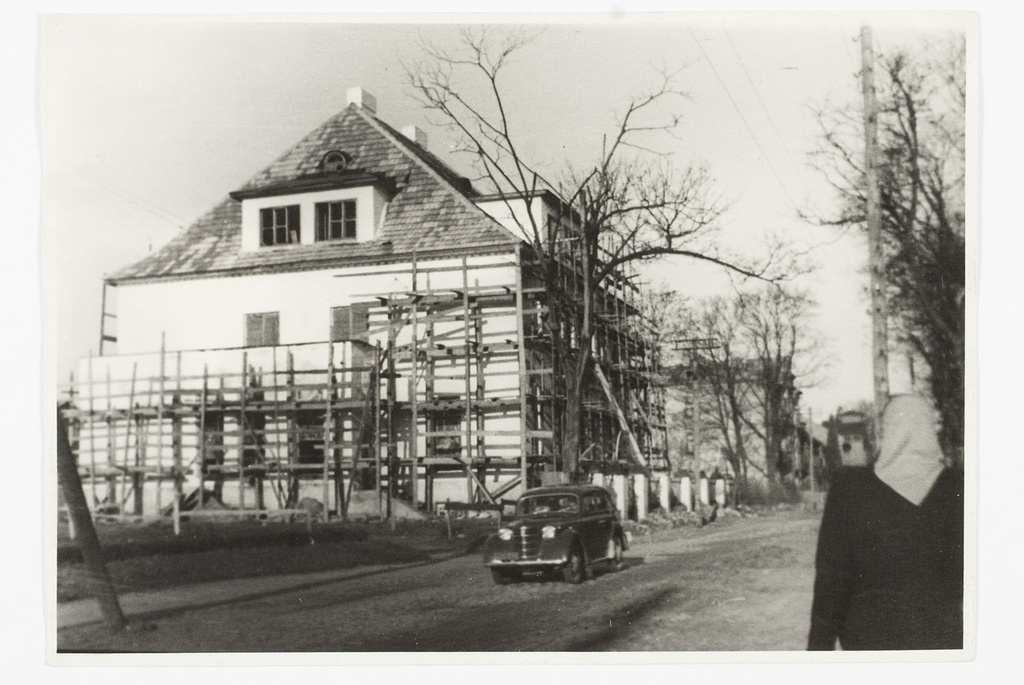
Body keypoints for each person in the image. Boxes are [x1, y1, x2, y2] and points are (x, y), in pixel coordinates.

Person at [808, 394, 963, 650]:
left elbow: (831, 581)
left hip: (869, 646)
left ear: (886, 431)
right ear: (929, 430)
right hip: (942, 646)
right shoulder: (958, 489)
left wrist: (816, 654)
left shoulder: (849, 490)